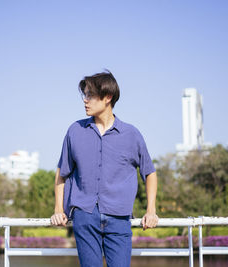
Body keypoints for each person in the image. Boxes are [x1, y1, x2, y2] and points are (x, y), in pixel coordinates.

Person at [50, 70, 158, 267]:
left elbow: (149, 172)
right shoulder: (75, 131)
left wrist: (151, 210)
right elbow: (62, 172)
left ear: (108, 97)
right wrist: (58, 209)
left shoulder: (131, 134)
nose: (85, 100)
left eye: (90, 95)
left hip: (119, 217)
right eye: (85, 95)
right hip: (85, 215)